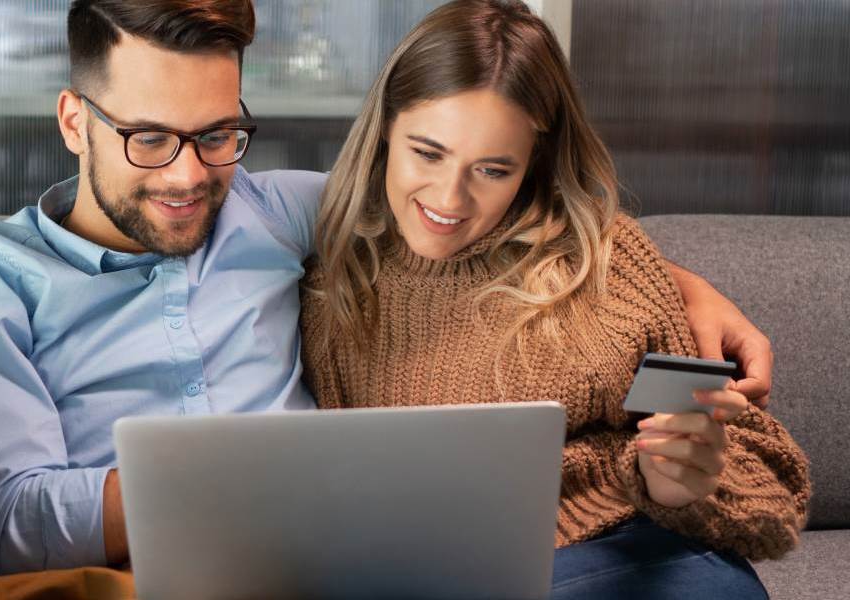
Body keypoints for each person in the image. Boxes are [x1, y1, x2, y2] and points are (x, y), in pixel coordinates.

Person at [0, 0, 778, 588]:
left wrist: (682, 286)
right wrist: (238, 488)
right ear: (72, 121)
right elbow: (8, 521)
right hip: (168, 574)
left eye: (218, 136)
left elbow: (467, 207)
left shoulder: (271, 210)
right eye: (150, 139)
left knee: (704, 583)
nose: (187, 177)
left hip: (356, 562)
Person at [298, 1, 809, 598]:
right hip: (452, 569)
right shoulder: (335, 288)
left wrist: (680, 479)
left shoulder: (605, 267)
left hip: (630, 550)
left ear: (532, 162)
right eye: (428, 152)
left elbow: (756, 462)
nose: (449, 197)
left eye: (491, 170)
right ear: (386, 127)